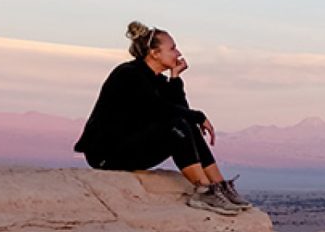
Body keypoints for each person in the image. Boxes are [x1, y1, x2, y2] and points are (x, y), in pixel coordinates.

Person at [74, 21, 252, 215]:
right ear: (154, 53)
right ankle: (203, 190)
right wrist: (199, 116)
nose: (178, 53)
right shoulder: (128, 74)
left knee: (184, 124)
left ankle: (219, 186)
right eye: (173, 48)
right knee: (177, 123)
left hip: (130, 146)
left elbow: (180, 111)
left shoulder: (157, 80)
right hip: (106, 155)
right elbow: (158, 109)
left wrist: (175, 78)